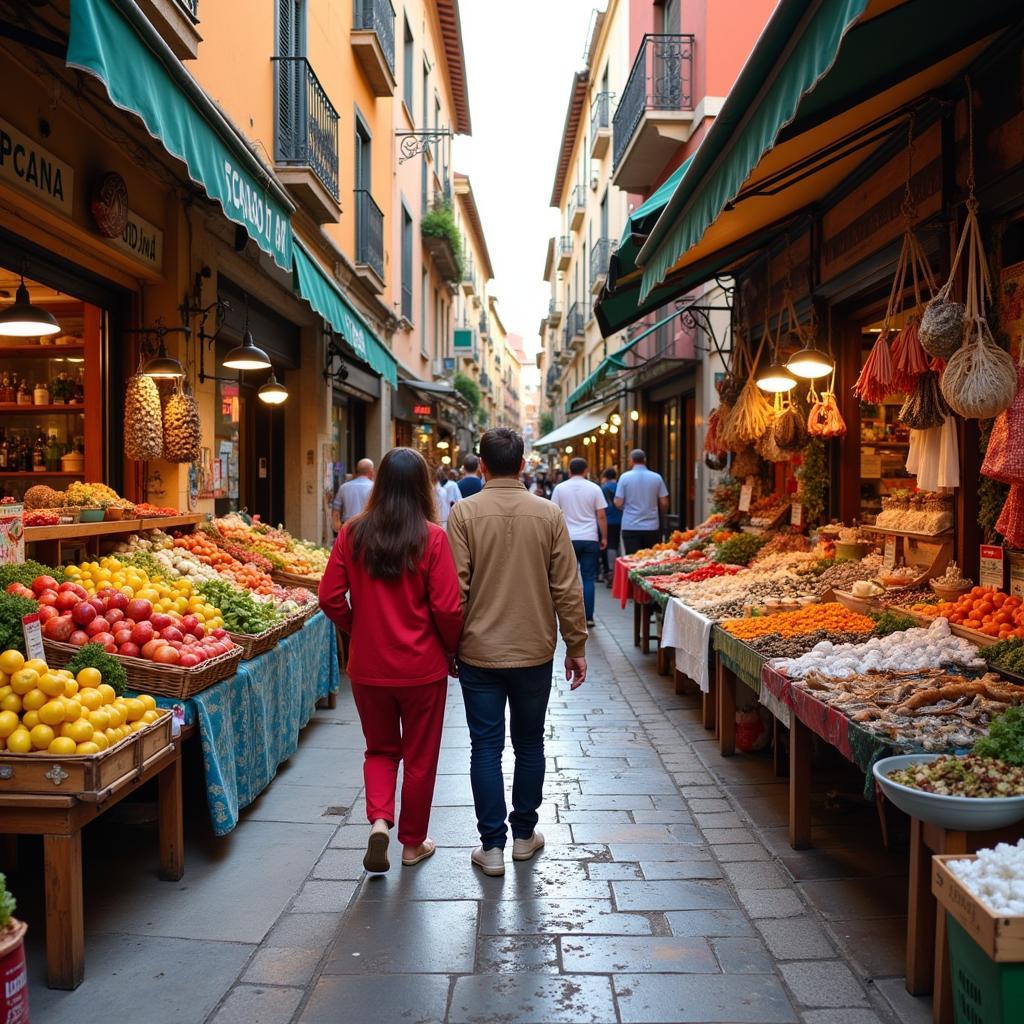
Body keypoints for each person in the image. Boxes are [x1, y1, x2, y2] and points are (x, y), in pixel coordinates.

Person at [447, 428, 587, 877]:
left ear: (481, 465)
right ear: (522, 464)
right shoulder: (548, 514)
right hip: (533, 650)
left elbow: (456, 592)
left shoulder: (463, 513)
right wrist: (576, 645)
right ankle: (524, 836)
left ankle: (491, 847)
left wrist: (450, 645)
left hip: (478, 651)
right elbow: (567, 587)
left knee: (484, 746)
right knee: (528, 743)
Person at [319, 448, 463, 873]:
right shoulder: (432, 537)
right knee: (421, 758)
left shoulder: (352, 532)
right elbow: (449, 609)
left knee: (380, 750)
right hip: (422, 668)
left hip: (369, 666)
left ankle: (380, 820)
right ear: (423, 486)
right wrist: (451, 649)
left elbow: (328, 597)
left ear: (378, 482)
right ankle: (412, 844)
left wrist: (356, 627)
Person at [551, 458, 607, 628]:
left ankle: (570, 618)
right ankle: (588, 617)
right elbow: (601, 516)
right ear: (586, 470)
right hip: (590, 537)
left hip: (567, 538)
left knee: (568, 579)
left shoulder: (560, 488)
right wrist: (604, 536)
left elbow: (554, 514)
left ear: (569, 470)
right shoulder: (594, 488)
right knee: (588, 578)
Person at [615, 449, 669, 554]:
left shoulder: (624, 478)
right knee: (651, 560)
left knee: (632, 559)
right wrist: (660, 513)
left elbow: (618, 502)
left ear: (631, 461)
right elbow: (664, 502)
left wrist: (626, 508)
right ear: (645, 460)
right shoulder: (656, 478)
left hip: (630, 525)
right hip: (652, 525)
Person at [331, 458, 374, 534]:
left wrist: (336, 527)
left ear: (356, 471)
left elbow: (336, 510)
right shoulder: (375, 487)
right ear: (371, 472)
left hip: (348, 527)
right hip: (368, 528)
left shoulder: (344, 487)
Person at [600, 467, 622, 585]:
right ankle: (618, 571)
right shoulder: (620, 486)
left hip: (607, 520)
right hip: (621, 519)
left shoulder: (603, 488)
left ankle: (611, 573)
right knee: (617, 544)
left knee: (610, 546)